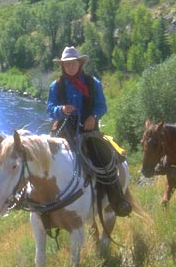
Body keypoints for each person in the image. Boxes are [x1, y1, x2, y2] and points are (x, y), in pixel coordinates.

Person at [47, 46, 131, 217]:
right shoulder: (56, 86)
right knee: (44, 161)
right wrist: (61, 109)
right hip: (64, 132)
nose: (70, 67)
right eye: (66, 64)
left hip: (89, 131)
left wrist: (93, 116)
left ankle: (117, 200)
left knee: (104, 159)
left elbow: (102, 106)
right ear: (62, 66)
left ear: (79, 63)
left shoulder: (93, 83)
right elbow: (50, 109)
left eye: (73, 63)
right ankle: (44, 206)